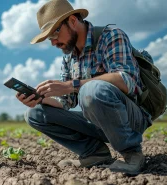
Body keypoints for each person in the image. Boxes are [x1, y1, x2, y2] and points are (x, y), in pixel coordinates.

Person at [17, 0, 152, 175]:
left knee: (92, 90)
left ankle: (131, 152)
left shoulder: (111, 36)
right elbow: (67, 101)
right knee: (35, 114)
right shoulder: (69, 57)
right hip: (98, 119)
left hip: (130, 118)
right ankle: (95, 153)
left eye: (55, 33)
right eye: (50, 38)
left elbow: (127, 80)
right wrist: (40, 99)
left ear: (73, 21)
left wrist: (72, 85)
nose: (53, 42)